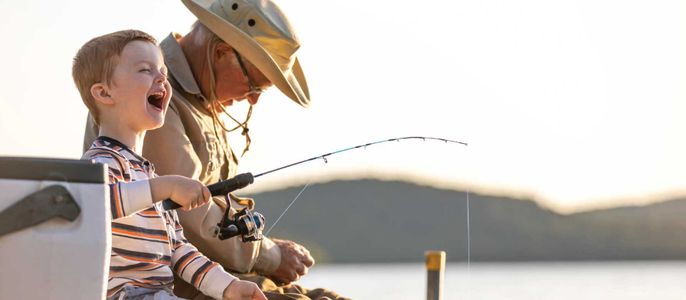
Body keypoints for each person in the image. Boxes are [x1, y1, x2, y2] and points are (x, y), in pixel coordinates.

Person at [83, 1, 346, 299]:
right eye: (254, 86)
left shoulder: (176, 99)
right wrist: (270, 255)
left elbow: (178, 244)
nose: (253, 100)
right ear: (221, 52)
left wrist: (231, 285)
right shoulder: (146, 109)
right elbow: (101, 204)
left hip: (218, 281)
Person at [74, 29, 267, 300]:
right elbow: (95, 204)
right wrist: (166, 186)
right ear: (104, 93)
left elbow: (178, 249)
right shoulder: (101, 162)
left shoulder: (148, 173)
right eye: (145, 70)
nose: (162, 77)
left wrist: (229, 287)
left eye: (163, 70)